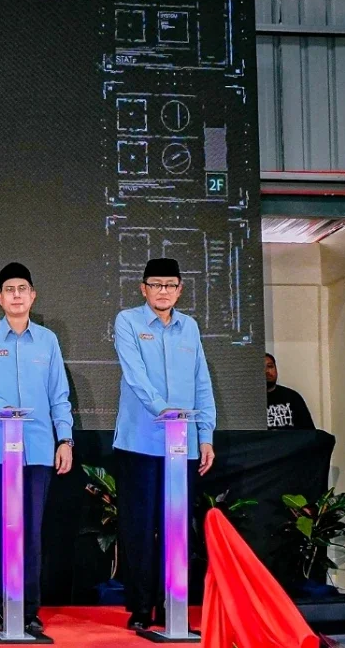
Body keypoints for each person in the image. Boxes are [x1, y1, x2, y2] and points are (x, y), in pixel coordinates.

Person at [0, 262, 74, 635]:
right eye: (9, 289)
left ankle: (28, 610)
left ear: (32, 296)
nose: (16, 295)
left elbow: (59, 394)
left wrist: (65, 439)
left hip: (39, 450)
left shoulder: (47, 341)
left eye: (22, 289)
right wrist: (7, 412)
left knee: (30, 531)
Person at [112, 257, 216, 631]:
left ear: (180, 289)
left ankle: (173, 609)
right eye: (155, 285)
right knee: (139, 528)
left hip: (183, 446)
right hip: (140, 443)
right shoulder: (128, 321)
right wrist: (167, 412)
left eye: (170, 285)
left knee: (177, 527)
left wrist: (205, 434)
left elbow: (201, 382)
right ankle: (142, 609)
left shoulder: (190, 328)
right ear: (143, 288)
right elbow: (135, 377)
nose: (163, 291)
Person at [265, 353, 315, 430]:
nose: (267, 371)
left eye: (270, 366)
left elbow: (309, 432)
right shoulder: (248, 401)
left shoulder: (292, 397)